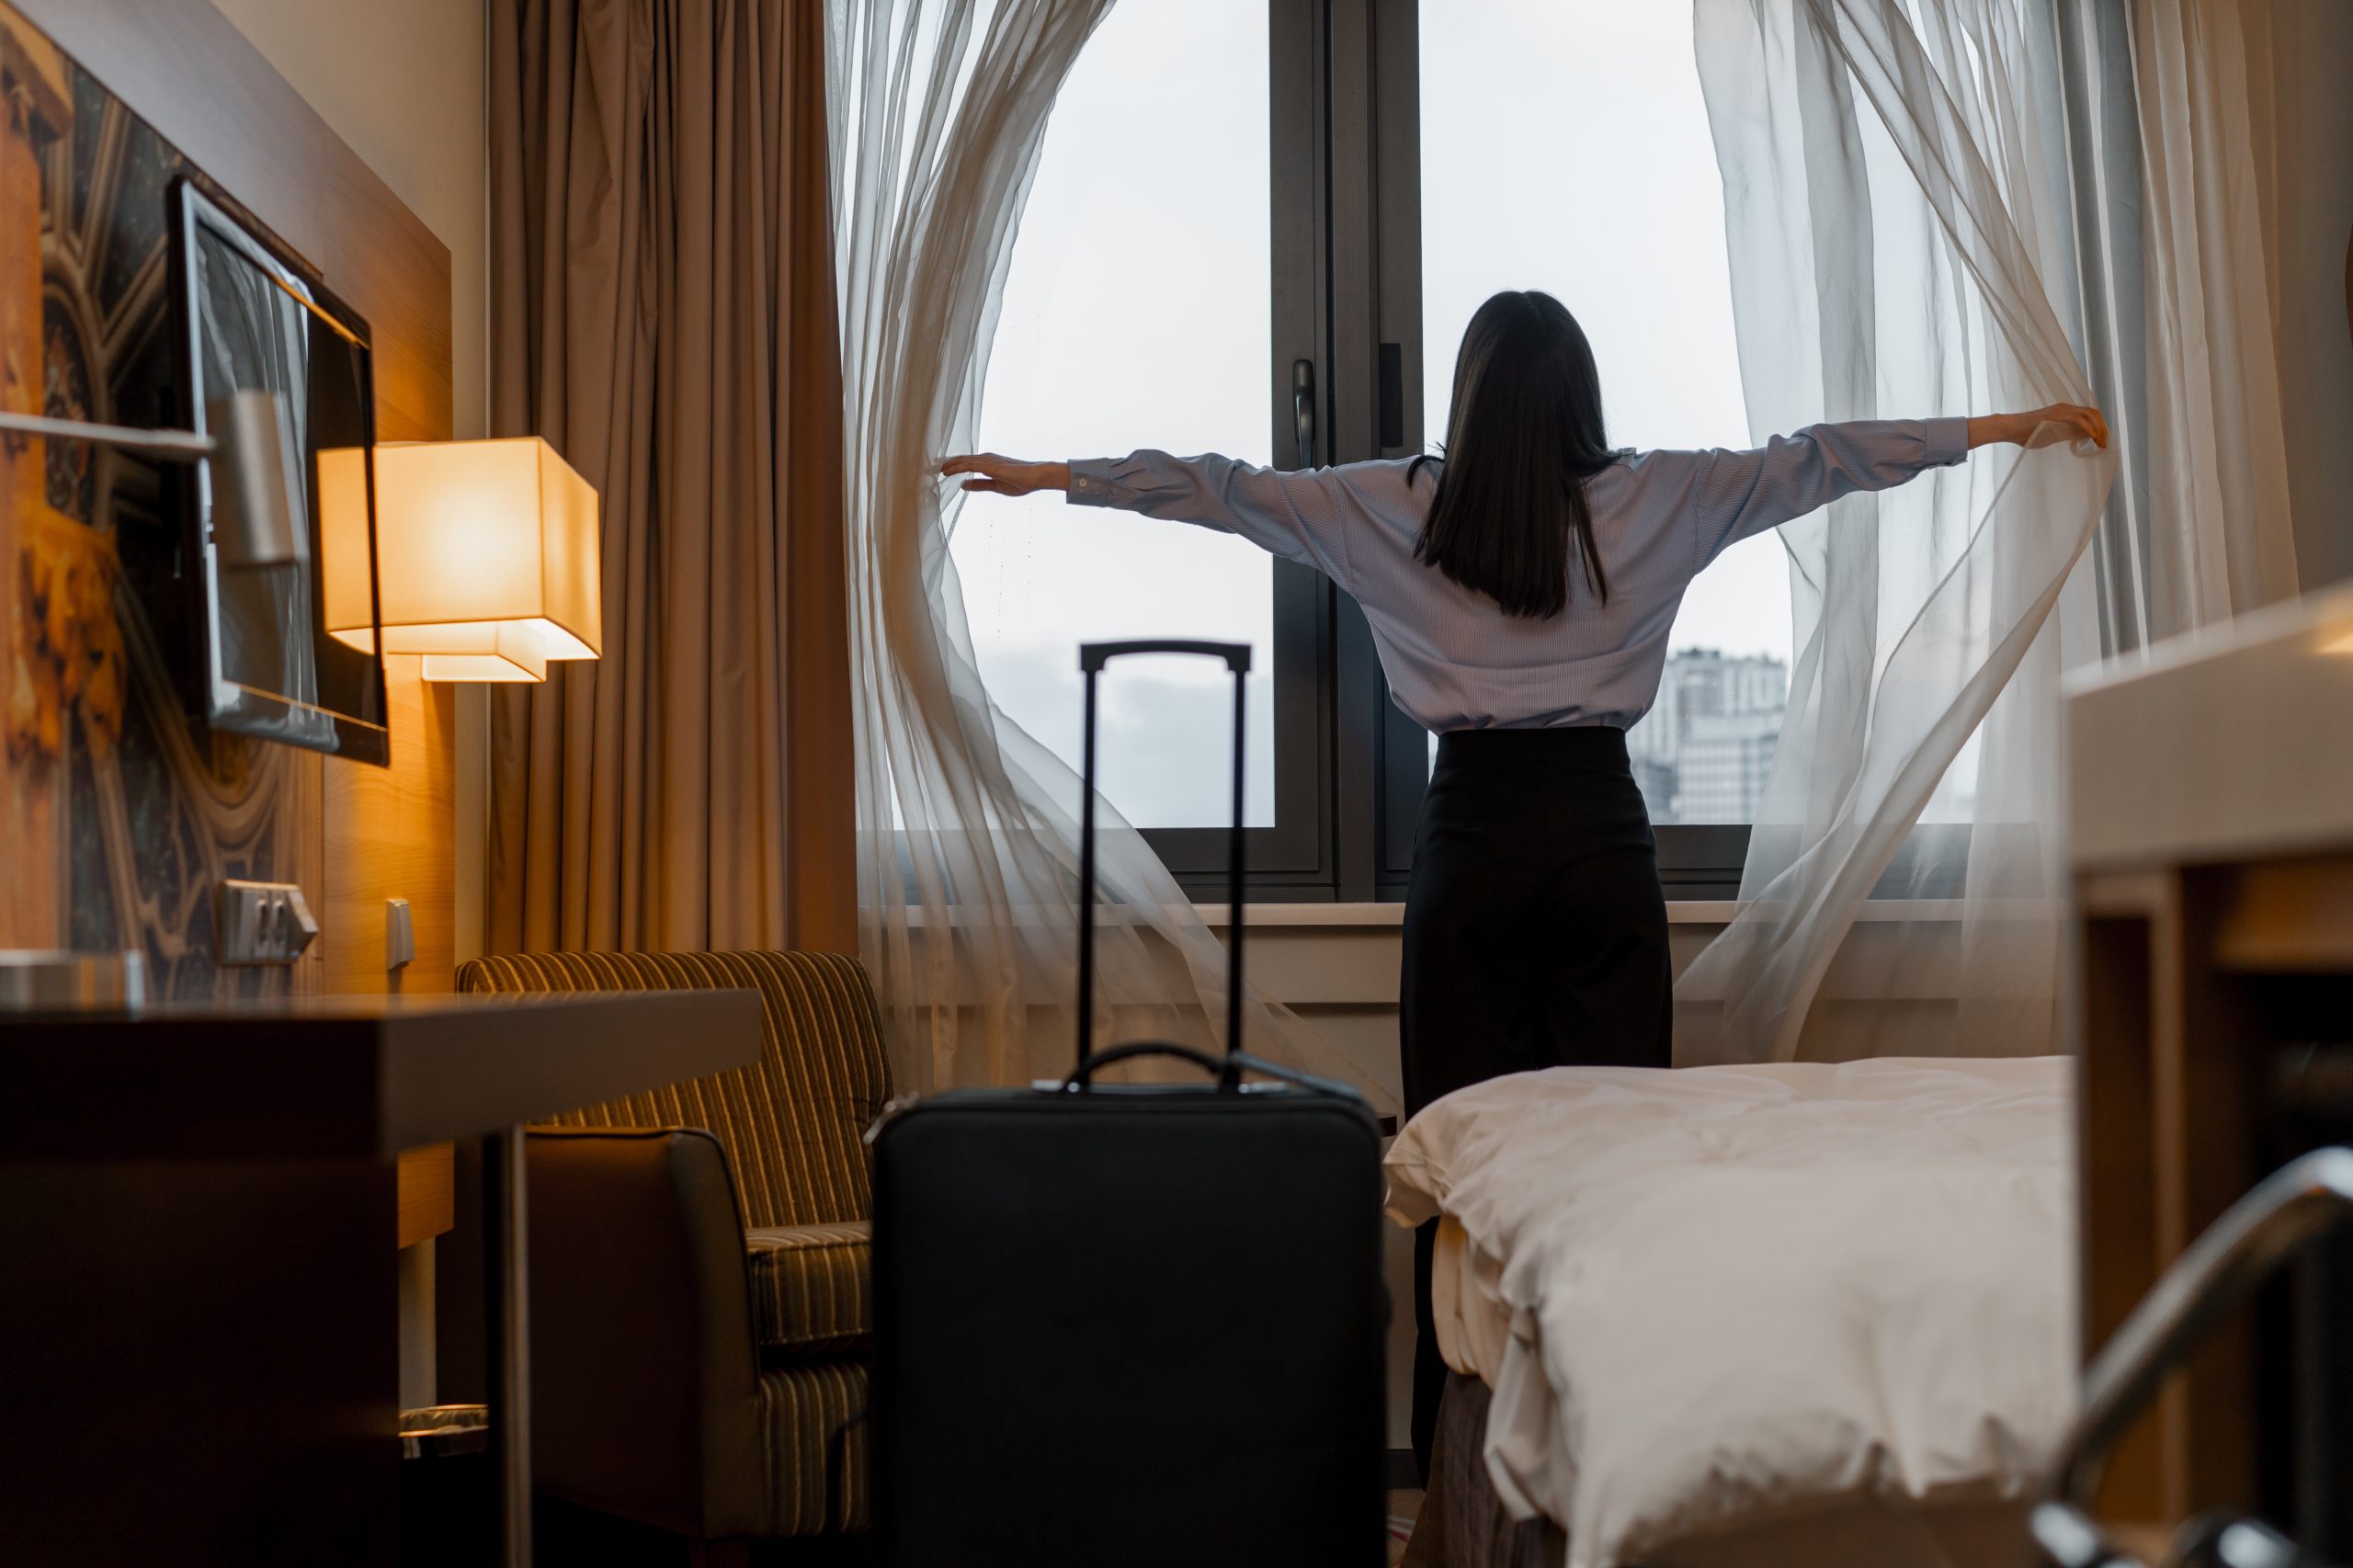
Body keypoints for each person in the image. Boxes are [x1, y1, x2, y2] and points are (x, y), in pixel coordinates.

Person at [941, 287, 2108, 1480]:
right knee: (1615, 1178)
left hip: (1473, 850)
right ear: (1581, 398)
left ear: (1470, 397)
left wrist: (1050, 476)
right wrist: (2002, 428)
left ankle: (1459, 1470)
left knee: (1461, 1175)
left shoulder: (1394, 505)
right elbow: (1823, 462)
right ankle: (1612, 1454)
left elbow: (1224, 489)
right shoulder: (1659, 493)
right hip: (1601, 844)